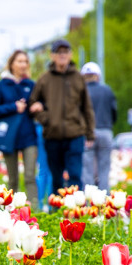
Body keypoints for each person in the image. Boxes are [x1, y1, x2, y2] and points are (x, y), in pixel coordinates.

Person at [29, 39, 95, 196]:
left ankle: (75, 211)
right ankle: (57, 211)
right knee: (56, 178)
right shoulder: (44, 79)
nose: (62, 55)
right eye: (59, 52)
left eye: (65, 52)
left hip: (75, 134)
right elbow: (33, 103)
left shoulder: (78, 78)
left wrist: (90, 133)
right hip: (53, 135)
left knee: (74, 175)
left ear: (70, 55)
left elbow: (87, 107)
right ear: (52, 56)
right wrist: (45, 119)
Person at [0, 50, 39, 209]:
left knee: (30, 176)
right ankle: (9, 212)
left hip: (28, 136)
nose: (23, 64)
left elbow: (38, 105)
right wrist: (13, 107)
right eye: (19, 61)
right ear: (12, 64)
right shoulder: (3, 84)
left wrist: (37, 107)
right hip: (9, 137)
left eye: (25, 61)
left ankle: (34, 211)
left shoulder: (30, 85)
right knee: (13, 179)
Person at [80, 61, 117, 191]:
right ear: (98, 76)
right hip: (105, 131)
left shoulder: (81, 92)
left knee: (88, 171)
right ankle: (105, 202)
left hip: (87, 134)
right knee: (104, 169)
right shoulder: (107, 90)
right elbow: (114, 112)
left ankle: (90, 204)